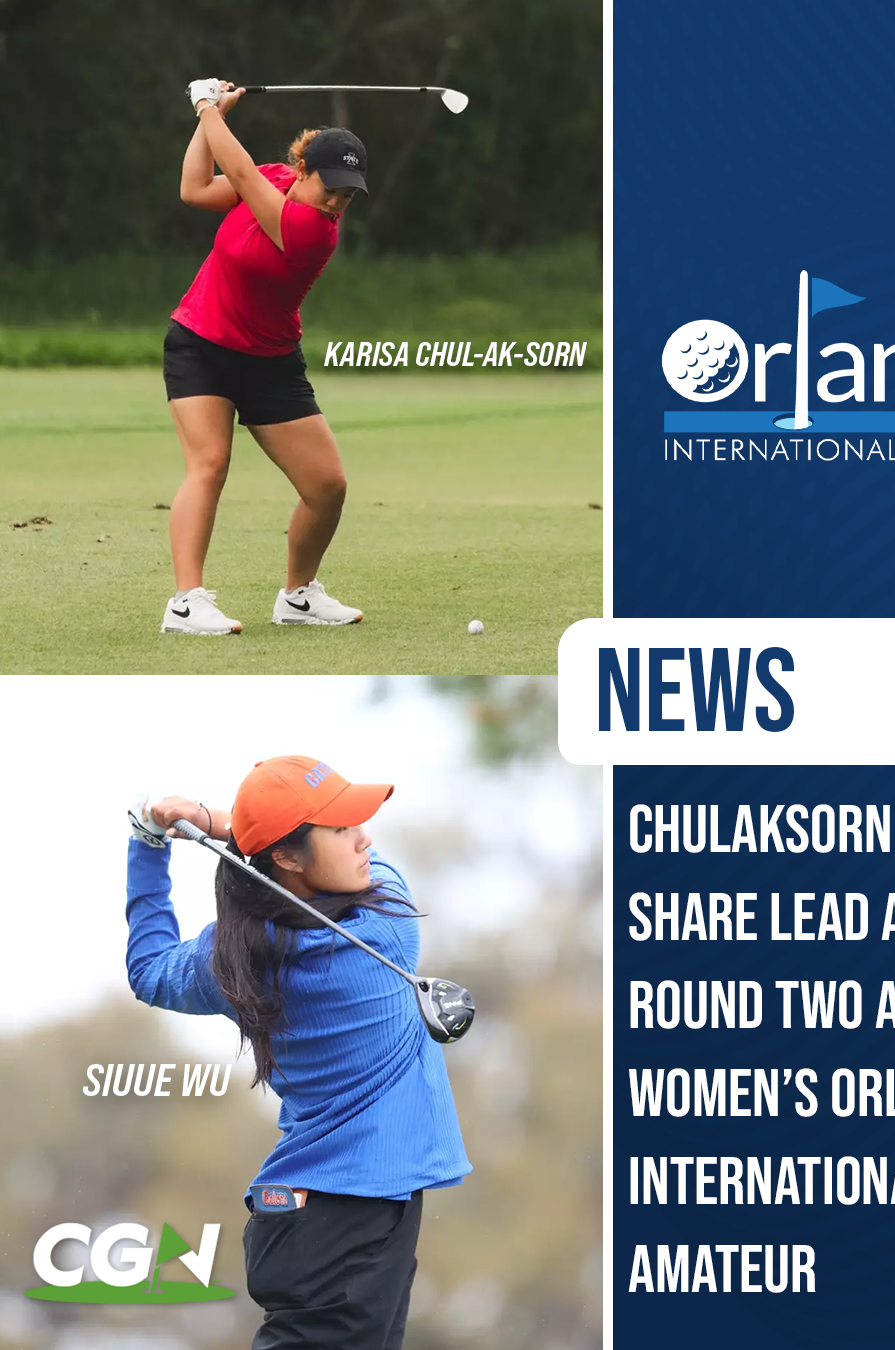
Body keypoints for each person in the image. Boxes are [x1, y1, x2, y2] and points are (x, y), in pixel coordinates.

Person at [126, 756, 471, 1348]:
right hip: (344, 1225)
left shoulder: (230, 959)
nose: (365, 839)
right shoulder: (387, 928)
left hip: (329, 1219)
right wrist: (215, 822)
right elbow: (347, 869)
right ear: (286, 857)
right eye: (339, 829)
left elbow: (151, 970)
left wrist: (148, 844)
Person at [162, 77, 367, 635]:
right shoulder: (275, 182)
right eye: (332, 187)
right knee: (209, 464)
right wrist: (210, 119)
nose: (338, 203)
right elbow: (195, 188)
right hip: (200, 342)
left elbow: (245, 174)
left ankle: (298, 595)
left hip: (270, 360)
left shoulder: (312, 231)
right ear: (302, 169)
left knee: (328, 485)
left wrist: (207, 107)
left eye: (348, 194)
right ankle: (186, 602)